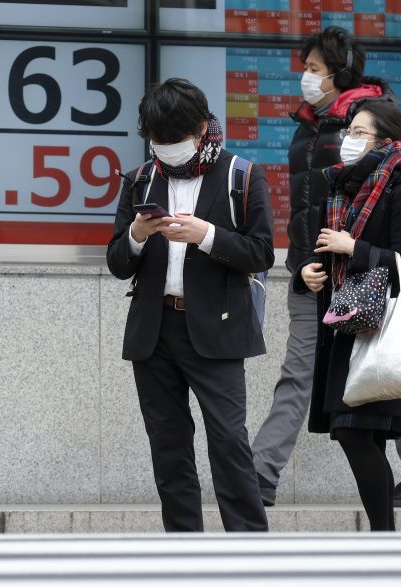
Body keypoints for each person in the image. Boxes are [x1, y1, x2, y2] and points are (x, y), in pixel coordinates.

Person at [250, 26, 401, 507]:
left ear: (339, 72)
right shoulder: (311, 123)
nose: (306, 77)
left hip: (363, 271)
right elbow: (307, 203)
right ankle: (260, 475)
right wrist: (304, 263)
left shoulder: (371, 130)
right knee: (300, 371)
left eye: (314, 69)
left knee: (383, 370)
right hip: (312, 264)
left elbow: (397, 235)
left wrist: (348, 250)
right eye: (306, 68)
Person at [107, 78, 274, 532]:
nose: (164, 149)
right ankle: (184, 553)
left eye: (173, 140)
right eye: (156, 140)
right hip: (154, 330)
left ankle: (250, 552)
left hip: (217, 329)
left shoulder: (241, 174)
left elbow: (262, 252)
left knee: (228, 442)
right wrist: (137, 236)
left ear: (202, 129)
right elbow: (118, 263)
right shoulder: (141, 178)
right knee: (168, 446)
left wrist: (206, 236)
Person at [298, 99, 401, 531]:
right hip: (343, 326)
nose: (347, 140)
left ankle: (384, 538)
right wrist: (307, 273)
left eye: (359, 133)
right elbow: (311, 251)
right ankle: (384, 539)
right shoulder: (338, 188)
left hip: (382, 330)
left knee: (355, 433)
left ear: (387, 140)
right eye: (348, 131)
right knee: (358, 434)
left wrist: (352, 248)